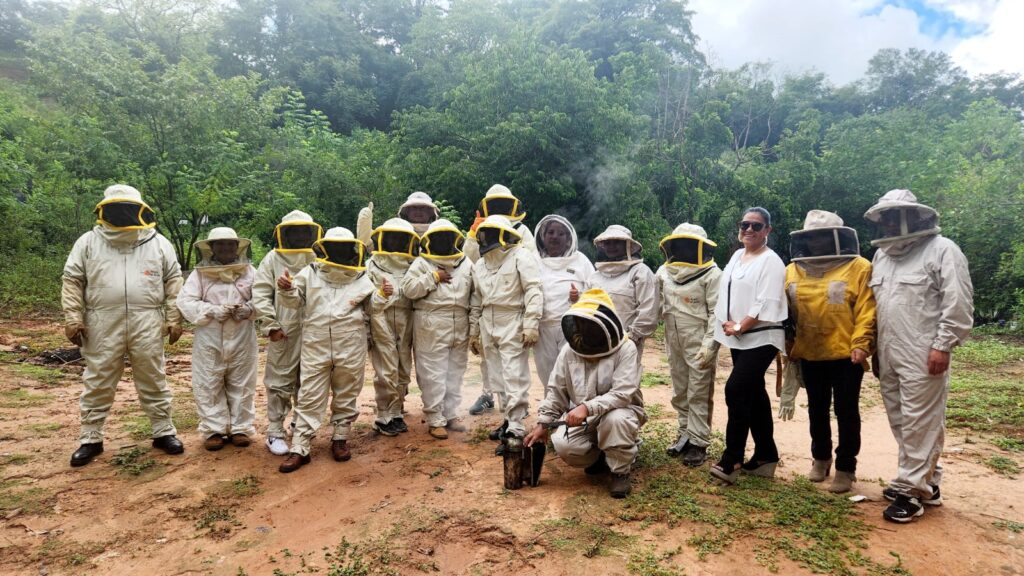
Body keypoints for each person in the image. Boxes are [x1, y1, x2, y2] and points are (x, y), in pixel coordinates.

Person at [864, 189, 973, 523]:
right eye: (885, 217)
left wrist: (943, 345)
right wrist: (876, 351)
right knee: (901, 419)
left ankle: (910, 492)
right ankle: (928, 481)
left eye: (895, 215)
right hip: (890, 350)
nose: (889, 222)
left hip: (925, 351)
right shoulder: (882, 256)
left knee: (919, 421)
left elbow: (958, 304)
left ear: (914, 216)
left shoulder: (942, 251)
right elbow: (877, 308)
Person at [62, 184, 186, 466]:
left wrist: (174, 317)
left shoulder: (158, 242)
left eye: (127, 208)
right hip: (101, 319)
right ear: (105, 209)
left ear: (140, 210)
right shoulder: (88, 242)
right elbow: (72, 280)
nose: (121, 213)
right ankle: (90, 437)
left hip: (148, 318)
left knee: (153, 374)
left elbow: (173, 281)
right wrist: (73, 317)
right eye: (116, 208)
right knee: (98, 377)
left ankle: (163, 431)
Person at [778, 210, 876, 493]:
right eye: (812, 237)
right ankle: (821, 458)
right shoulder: (792, 269)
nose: (817, 242)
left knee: (846, 411)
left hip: (847, 354)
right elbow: (785, 312)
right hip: (809, 352)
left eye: (822, 236)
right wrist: (789, 346)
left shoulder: (859, 267)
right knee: (817, 409)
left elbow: (867, 310)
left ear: (836, 237)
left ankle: (846, 467)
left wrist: (861, 344)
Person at [524, 288, 646, 498]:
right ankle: (601, 456)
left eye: (589, 323)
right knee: (564, 444)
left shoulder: (626, 348)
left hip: (622, 411)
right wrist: (543, 423)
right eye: (581, 323)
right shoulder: (569, 351)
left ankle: (620, 470)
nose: (584, 328)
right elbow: (556, 390)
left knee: (615, 421)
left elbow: (623, 393)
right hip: (586, 417)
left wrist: (586, 407)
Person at [275, 227, 376, 472]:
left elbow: (374, 308)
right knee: (309, 393)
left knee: (347, 391)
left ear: (351, 249)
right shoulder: (309, 273)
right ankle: (300, 447)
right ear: (326, 248)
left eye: (343, 246)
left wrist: (384, 295)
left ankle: (340, 438)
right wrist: (286, 288)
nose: (339, 250)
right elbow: (293, 300)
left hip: (350, 340)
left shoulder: (362, 276)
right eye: (334, 246)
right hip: (316, 340)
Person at [708, 207, 787, 486]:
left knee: (736, 388)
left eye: (756, 226)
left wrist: (741, 325)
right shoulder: (736, 256)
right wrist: (729, 327)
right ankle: (766, 454)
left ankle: (733, 457)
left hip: (762, 335)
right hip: (738, 336)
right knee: (754, 392)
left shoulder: (772, 262)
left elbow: (766, 301)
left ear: (768, 230)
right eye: (745, 225)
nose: (749, 230)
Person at [177, 227, 259, 451]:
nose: (225, 248)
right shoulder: (200, 274)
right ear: (211, 248)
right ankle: (214, 430)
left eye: (229, 244)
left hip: (243, 333)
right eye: (220, 244)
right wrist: (212, 310)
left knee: (243, 381)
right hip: (210, 334)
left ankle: (241, 428)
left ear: (237, 247)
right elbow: (185, 301)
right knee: (208, 381)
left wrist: (248, 309)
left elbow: (264, 297)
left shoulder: (250, 271)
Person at [252, 210, 322, 456]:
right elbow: (260, 293)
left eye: (304, 230)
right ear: (285, 233)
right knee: (280, 381)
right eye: (295, 230)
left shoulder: (319, 257)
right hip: (285, 329)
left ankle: (300, 425)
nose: (300, 234)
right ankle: (274, 431)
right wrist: (270, 325)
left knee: (310, 381)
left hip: (316, 329)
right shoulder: (273, 259)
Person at [468, 215, 543, 444]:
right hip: (488, 322)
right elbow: (476, 299)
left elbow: (533, 290)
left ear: (504, 234)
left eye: (492, 232)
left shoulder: (521, 256)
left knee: (514, 374)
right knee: (496, 375)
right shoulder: (480, 264)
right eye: (485, 232)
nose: (487, 237)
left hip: (513, 318)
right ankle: (508, 420)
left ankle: (517, 428)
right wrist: (474, 331)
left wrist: (531, 323)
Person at [655, 223, 722, 467]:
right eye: (679, 243)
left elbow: (717, 311)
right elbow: (655, 303)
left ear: (700, 247)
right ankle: (685, 433)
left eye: (688, 243)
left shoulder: (712, 274)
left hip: (699, 339)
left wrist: (710, 345)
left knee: (699, 391)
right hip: (673, 338)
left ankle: (698, 442)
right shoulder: (664, 271)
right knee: (680, 389)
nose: (682, 248)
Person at [401, 219, 472, 439]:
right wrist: (433, 277)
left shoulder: (466, 263)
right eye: (439, 237)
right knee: (432, 372)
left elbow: (476, 292)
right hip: (430, 320)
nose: (443, 241)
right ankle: (435, 418)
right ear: (430, 240)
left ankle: (450, 414)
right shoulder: (422, 264)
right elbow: (408, 290)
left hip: (460, 319)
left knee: (455, 370)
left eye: (447, 237)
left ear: (455, 240)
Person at [367, 218, 419, 436]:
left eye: (401, 237)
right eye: (392, 236)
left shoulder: (414, 265)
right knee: (385, 370)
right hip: (381, 318)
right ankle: (383, 415)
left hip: (406, 318)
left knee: (403, 368)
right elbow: (365, 300)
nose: (396, 241)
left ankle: (396, 412)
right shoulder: (372, 265)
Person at [533, 215, 595, 390]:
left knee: (573, 369)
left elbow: (595, 291)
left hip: (573, 325)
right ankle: (552, 410)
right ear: (542, 237)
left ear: (569, 239)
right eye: (550, 232)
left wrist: (579, 297)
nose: (555, 236)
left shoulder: (581, 260)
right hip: (542, 326)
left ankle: (573, 410)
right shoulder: (532, 260)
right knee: (546, 371)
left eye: (561, 233)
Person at [588, 225, 659, 375]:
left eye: (617, 242)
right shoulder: (595, 276)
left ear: (627, 245)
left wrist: (632, 337)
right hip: (597, 340)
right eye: (608, 243)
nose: (611, 246)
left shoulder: (640, 271)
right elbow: (587, 307)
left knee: (626, 385)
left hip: (628, 341)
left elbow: (648, 310)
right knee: (599, 384)